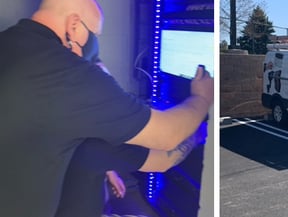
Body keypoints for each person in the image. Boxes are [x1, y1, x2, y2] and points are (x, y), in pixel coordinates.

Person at [0, 0, 214, 217]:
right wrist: (201, 98)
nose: (95, 46)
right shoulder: (68, 72)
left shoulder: (10, 43)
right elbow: (166, 136)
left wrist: (109, 168)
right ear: (73, 24)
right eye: (95, 35)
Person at [56, 30, 203, 217]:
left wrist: (109, 170)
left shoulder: (58, 115)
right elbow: (164, 160)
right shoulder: (98, 141)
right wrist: (197, 127)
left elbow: (86, 158)